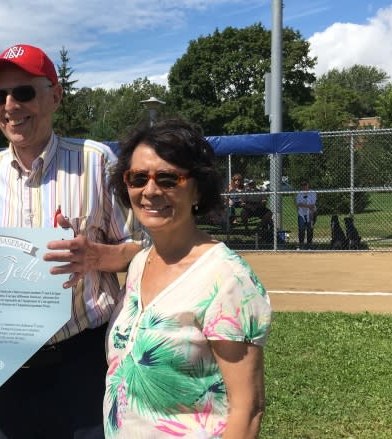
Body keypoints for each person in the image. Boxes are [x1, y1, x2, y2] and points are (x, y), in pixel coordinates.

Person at [0, 43, 141, 439]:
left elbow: (143, 253)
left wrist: (96, 256)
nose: (11, 105)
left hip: (84, 361)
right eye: (0, 96)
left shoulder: (96, 162)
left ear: (56, 95)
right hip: (9, 368)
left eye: (24, 92)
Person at [104, 118, 272, 438]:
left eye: (169, 179)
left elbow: (247, 408)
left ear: (197, 188)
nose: (150, 190)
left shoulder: (226, 277)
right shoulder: (141, 263)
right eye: (138, 178)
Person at [296, 180, 317, 249]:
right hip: (301, 214)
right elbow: (298, 204)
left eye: (305, 184)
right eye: (302, 185)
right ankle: (301, 245)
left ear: (308, 185)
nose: (304, 186)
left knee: (310, 229)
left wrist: (304, 205)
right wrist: (308, 206)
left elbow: (312, 205)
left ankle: (309, 245)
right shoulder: (299, 193)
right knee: (301, 229)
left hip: (311, 213)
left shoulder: (312, 193)